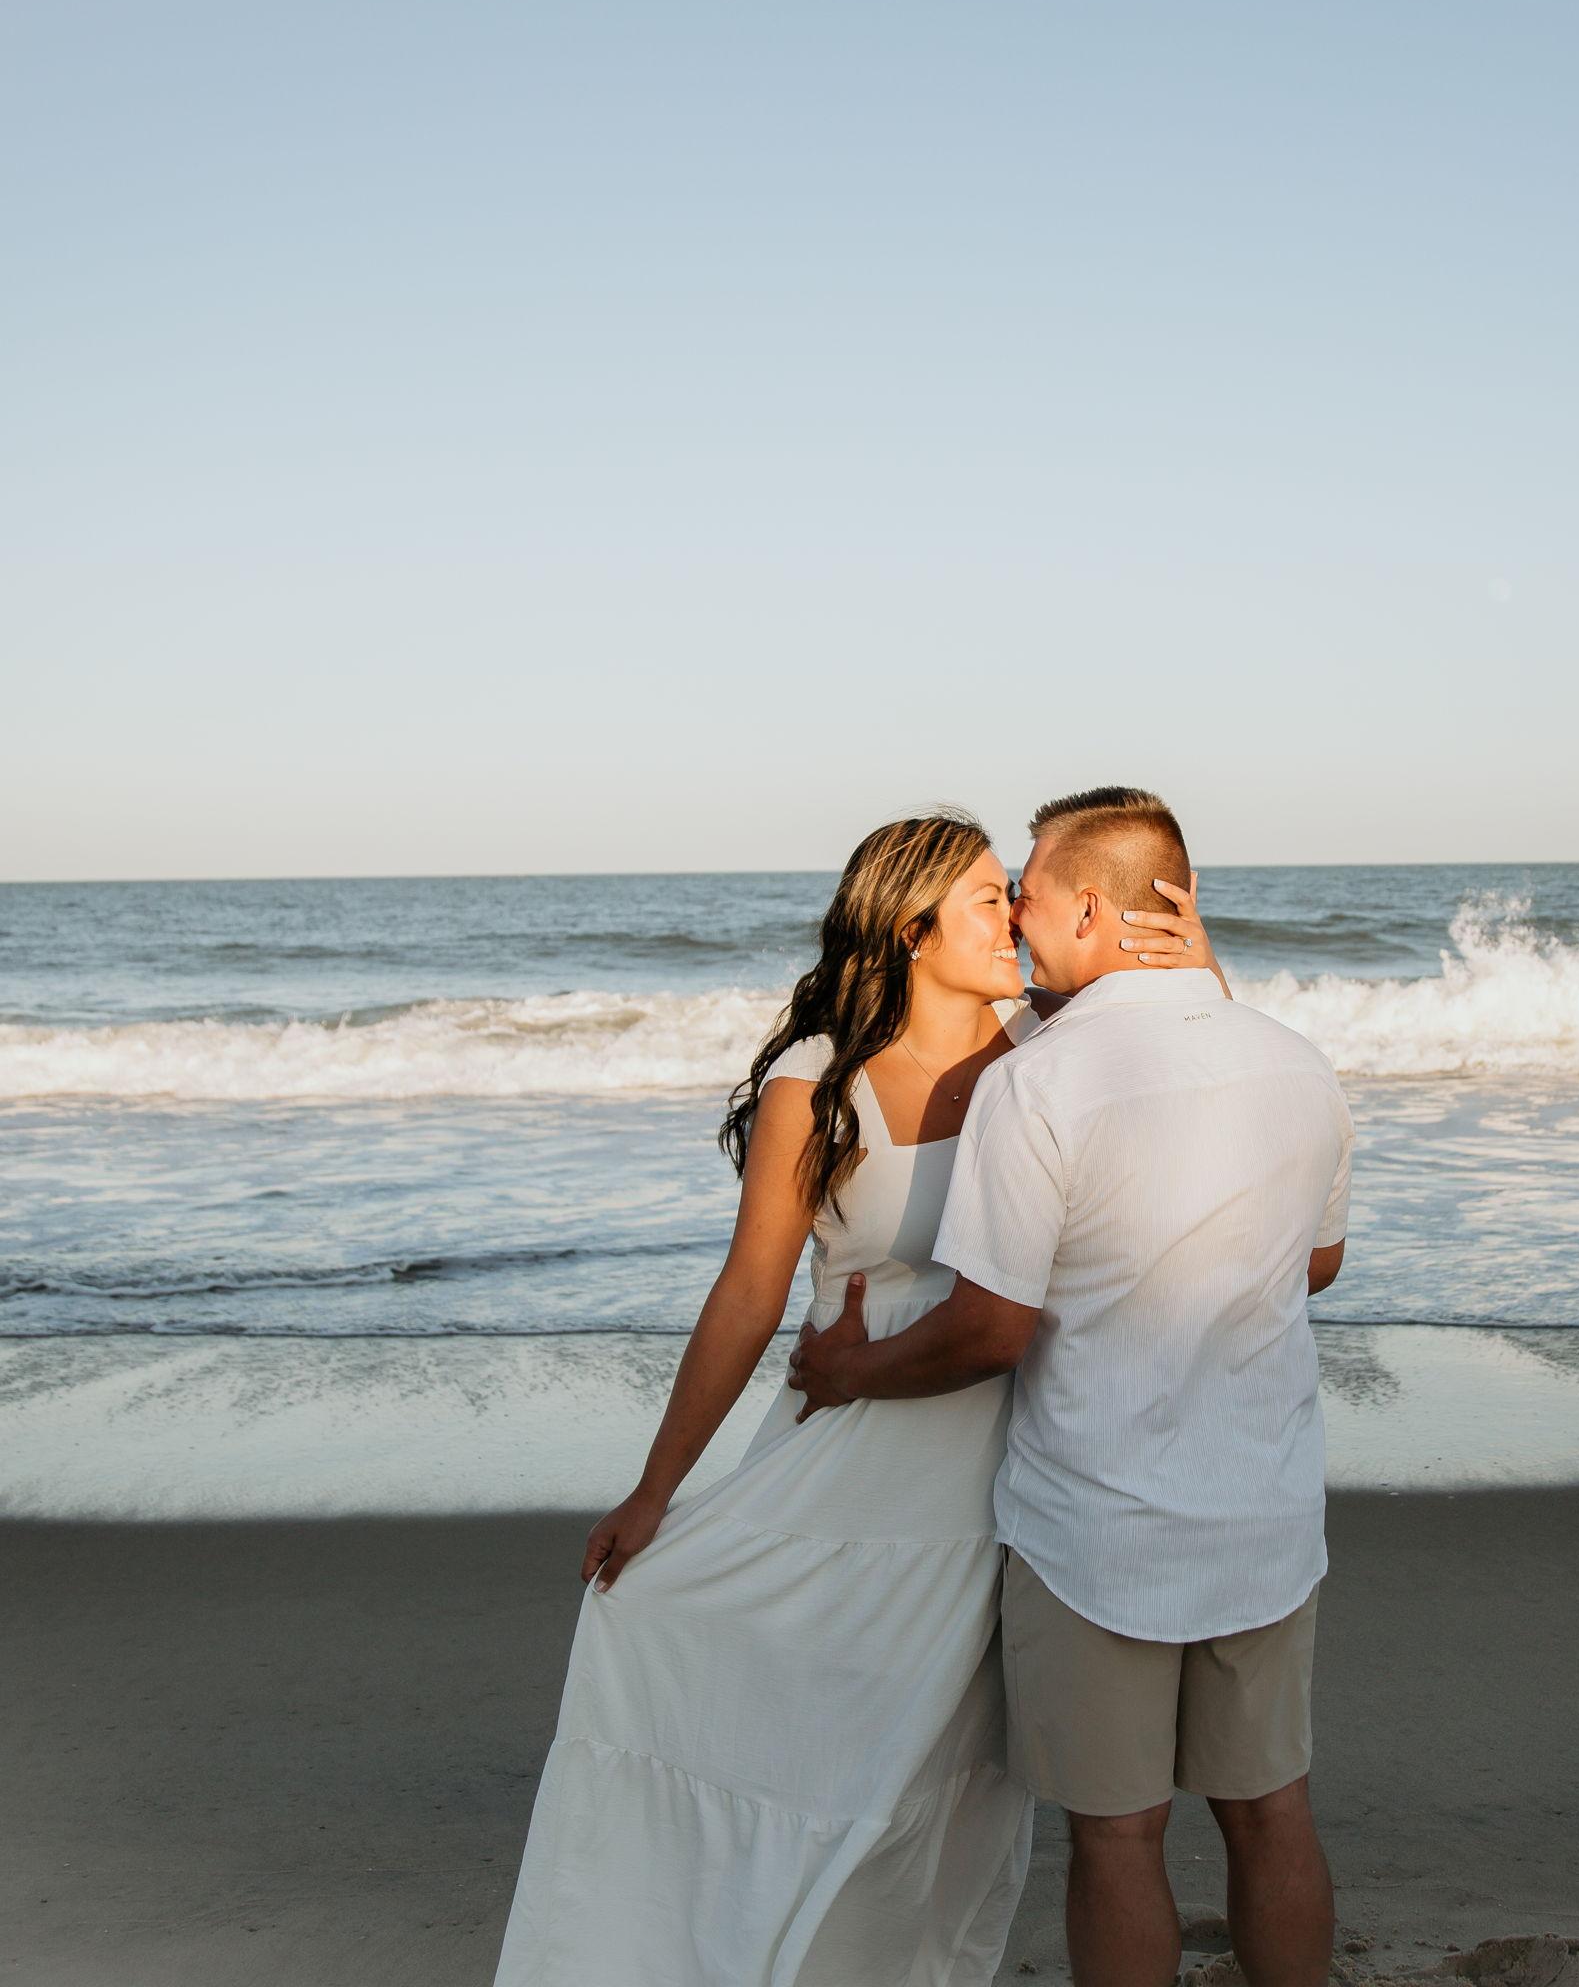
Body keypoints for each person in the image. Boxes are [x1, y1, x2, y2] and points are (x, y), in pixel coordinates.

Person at [491, 806, 1222, 1987]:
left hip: (1009, 1469)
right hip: (849, 1458)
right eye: (987, 897)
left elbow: (1201, 1074)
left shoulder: (1050, 1045)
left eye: (1013, 892)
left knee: (950, 1781)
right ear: (912, 928)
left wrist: (1201, 966)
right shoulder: (817, 1082)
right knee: (809, 1744)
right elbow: (748, 1294)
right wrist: (655, 1487)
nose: (1015, 917)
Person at [791, 786, 1355, 1987]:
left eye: (1028, 892)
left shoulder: (1038, 1083)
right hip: (1263, 1515)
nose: (1014, 917)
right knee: (1270, 1810)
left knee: (1118, 1838)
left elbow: (989, 1329)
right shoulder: (1294, 1060)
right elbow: (1315, 1262)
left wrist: (847, 1367)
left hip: (1098, 1535)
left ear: (1091, 909)